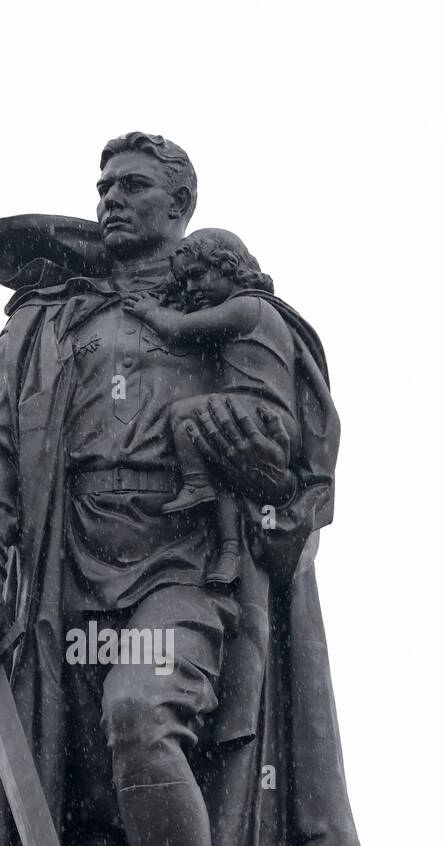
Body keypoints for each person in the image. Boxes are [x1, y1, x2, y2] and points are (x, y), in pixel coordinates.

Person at [0, 133, 367, 846]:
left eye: (132, 186)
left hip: (185, 563)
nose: (110, 199)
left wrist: (264, 468)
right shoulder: (44, 321)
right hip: (63, 571)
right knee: (77, 787)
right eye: (102, 186)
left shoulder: (233, 310)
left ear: (179, 206)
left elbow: (289, 461)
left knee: (141, 707)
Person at [123, 226, 289, 590]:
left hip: (258, 411)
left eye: (198, 276)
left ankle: (196, 484)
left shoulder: (247, 307)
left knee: (184, 414)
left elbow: (182, 329)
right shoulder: (252, 310)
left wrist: (151, 310)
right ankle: (229, 551)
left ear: (229, 267)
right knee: (223, 469)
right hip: (257, 413)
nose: (190, 289)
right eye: (184, 283)